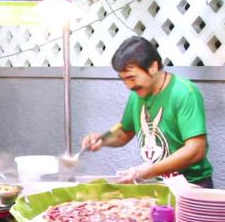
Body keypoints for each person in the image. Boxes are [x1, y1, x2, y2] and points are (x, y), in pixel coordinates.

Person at [81, 36, 213, 188]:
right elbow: (125, 133)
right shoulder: (136, 95)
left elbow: (196, 150)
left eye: (132, 78)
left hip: (192, 186)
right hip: (159, 184)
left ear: (153, 67)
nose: (128, 86)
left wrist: (146, 171)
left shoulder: (184, 93)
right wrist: (103, 139)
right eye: (123, 79)